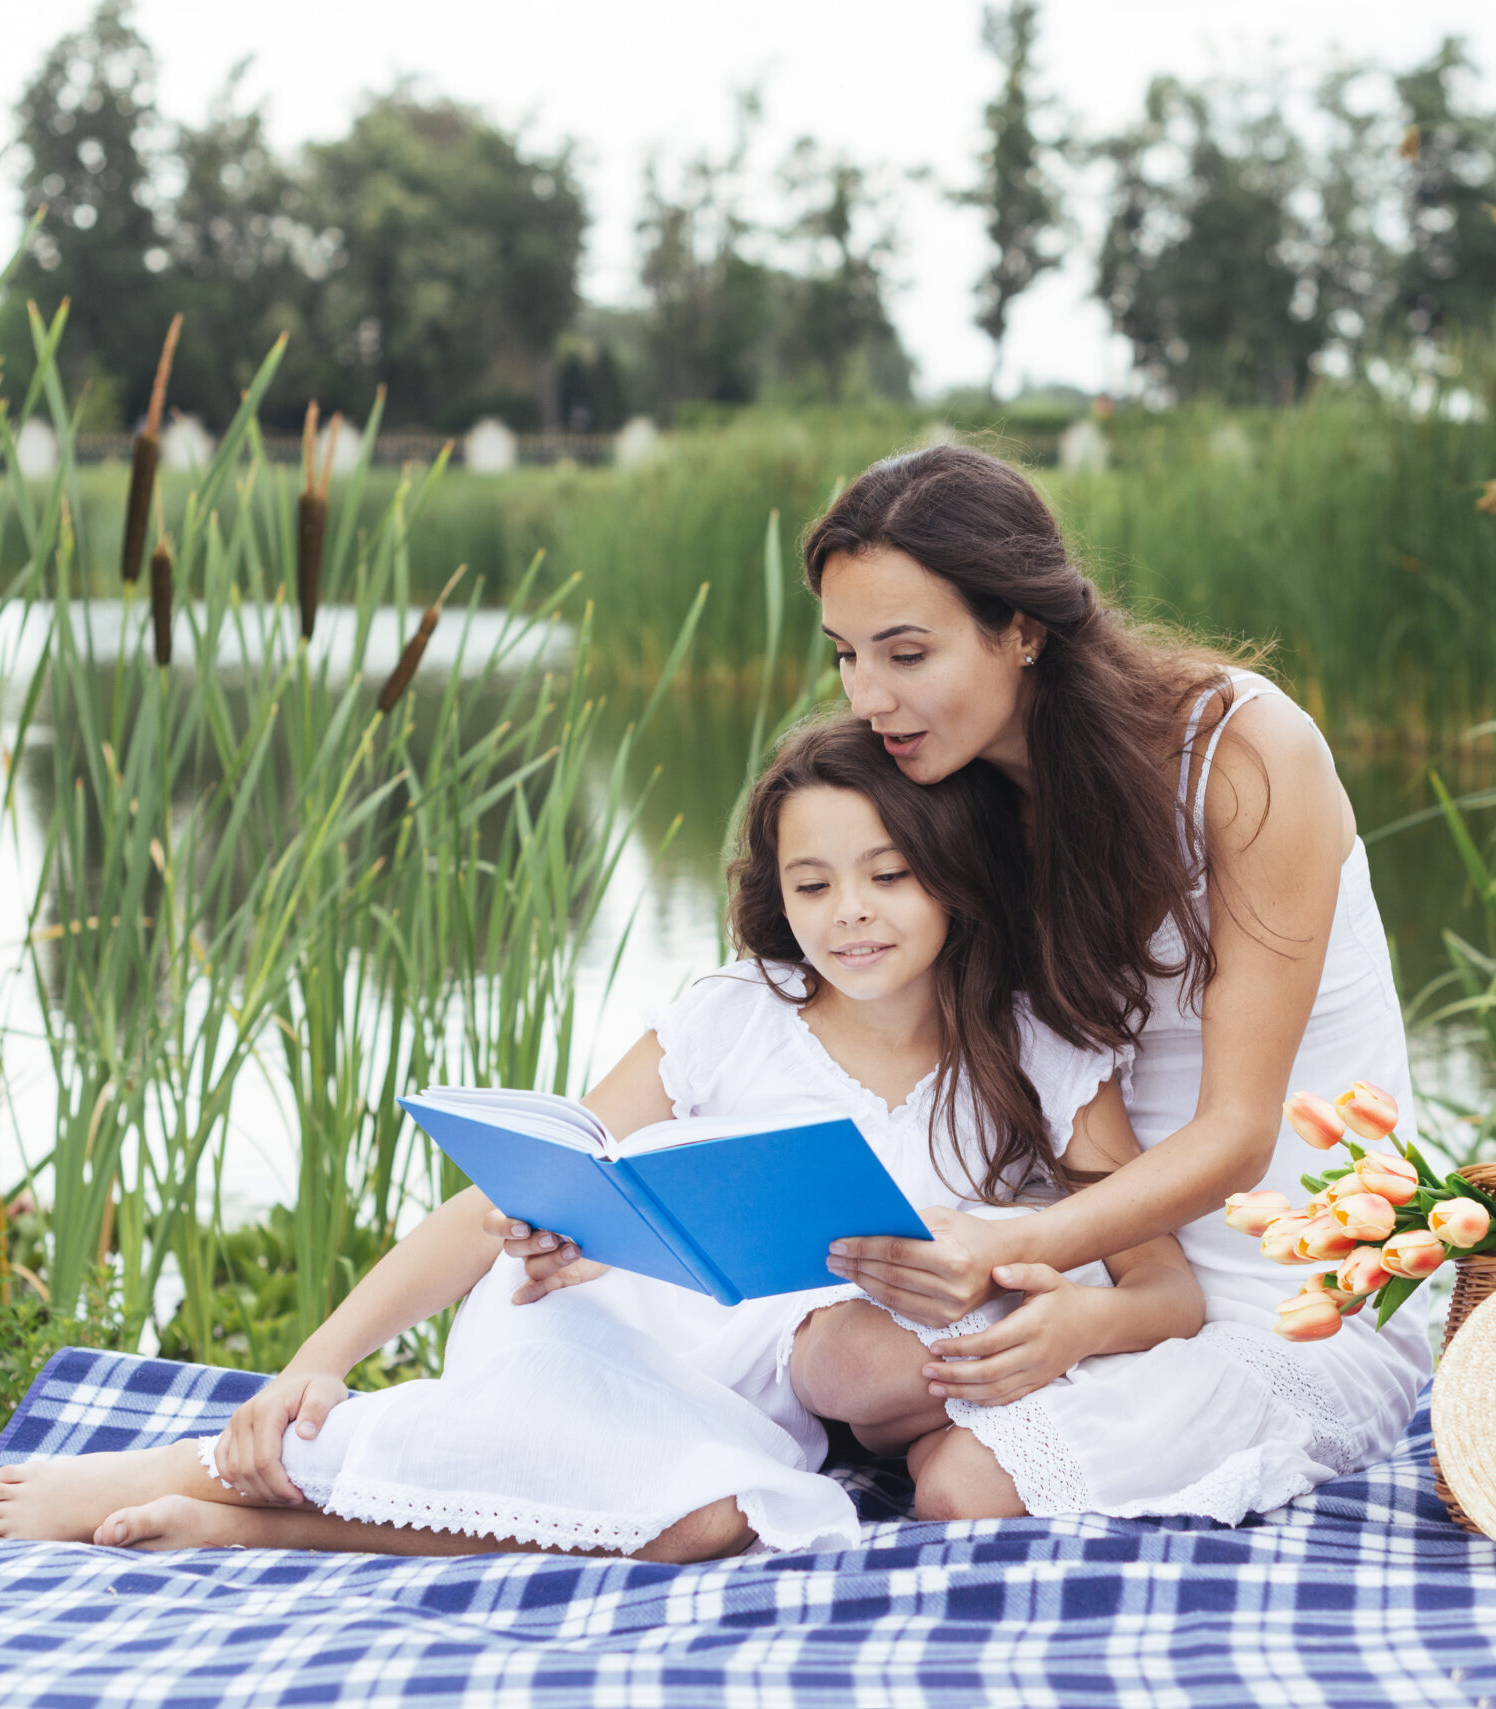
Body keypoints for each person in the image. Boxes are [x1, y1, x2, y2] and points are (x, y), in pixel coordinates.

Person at [0, 716, 1198, 1554]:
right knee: (554, 1396)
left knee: (720, 1519)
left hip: (800, 1376)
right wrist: (311, 1358)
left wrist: (1071, 1311)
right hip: (631, 1307)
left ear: (955, 875)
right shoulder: (732, 1016)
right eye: (812, 885)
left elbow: (1165, 1286)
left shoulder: (1039, 1046)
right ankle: (199, 1467)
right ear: (776, 892)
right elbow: (501, 1199)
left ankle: (258, 1526)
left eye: (887, 876)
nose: (848, 916)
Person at [510, 445, 1433, 1515]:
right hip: (1090, 1254)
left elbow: (1237, 1133)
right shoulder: (957, 790)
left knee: (958, 1486)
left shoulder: (1240, 752)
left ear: (1022, 627)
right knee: (835, 1375)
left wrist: (1015, 1242)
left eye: (905, 652)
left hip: (1283, 1278)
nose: (870, 696)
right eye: (846, 655)